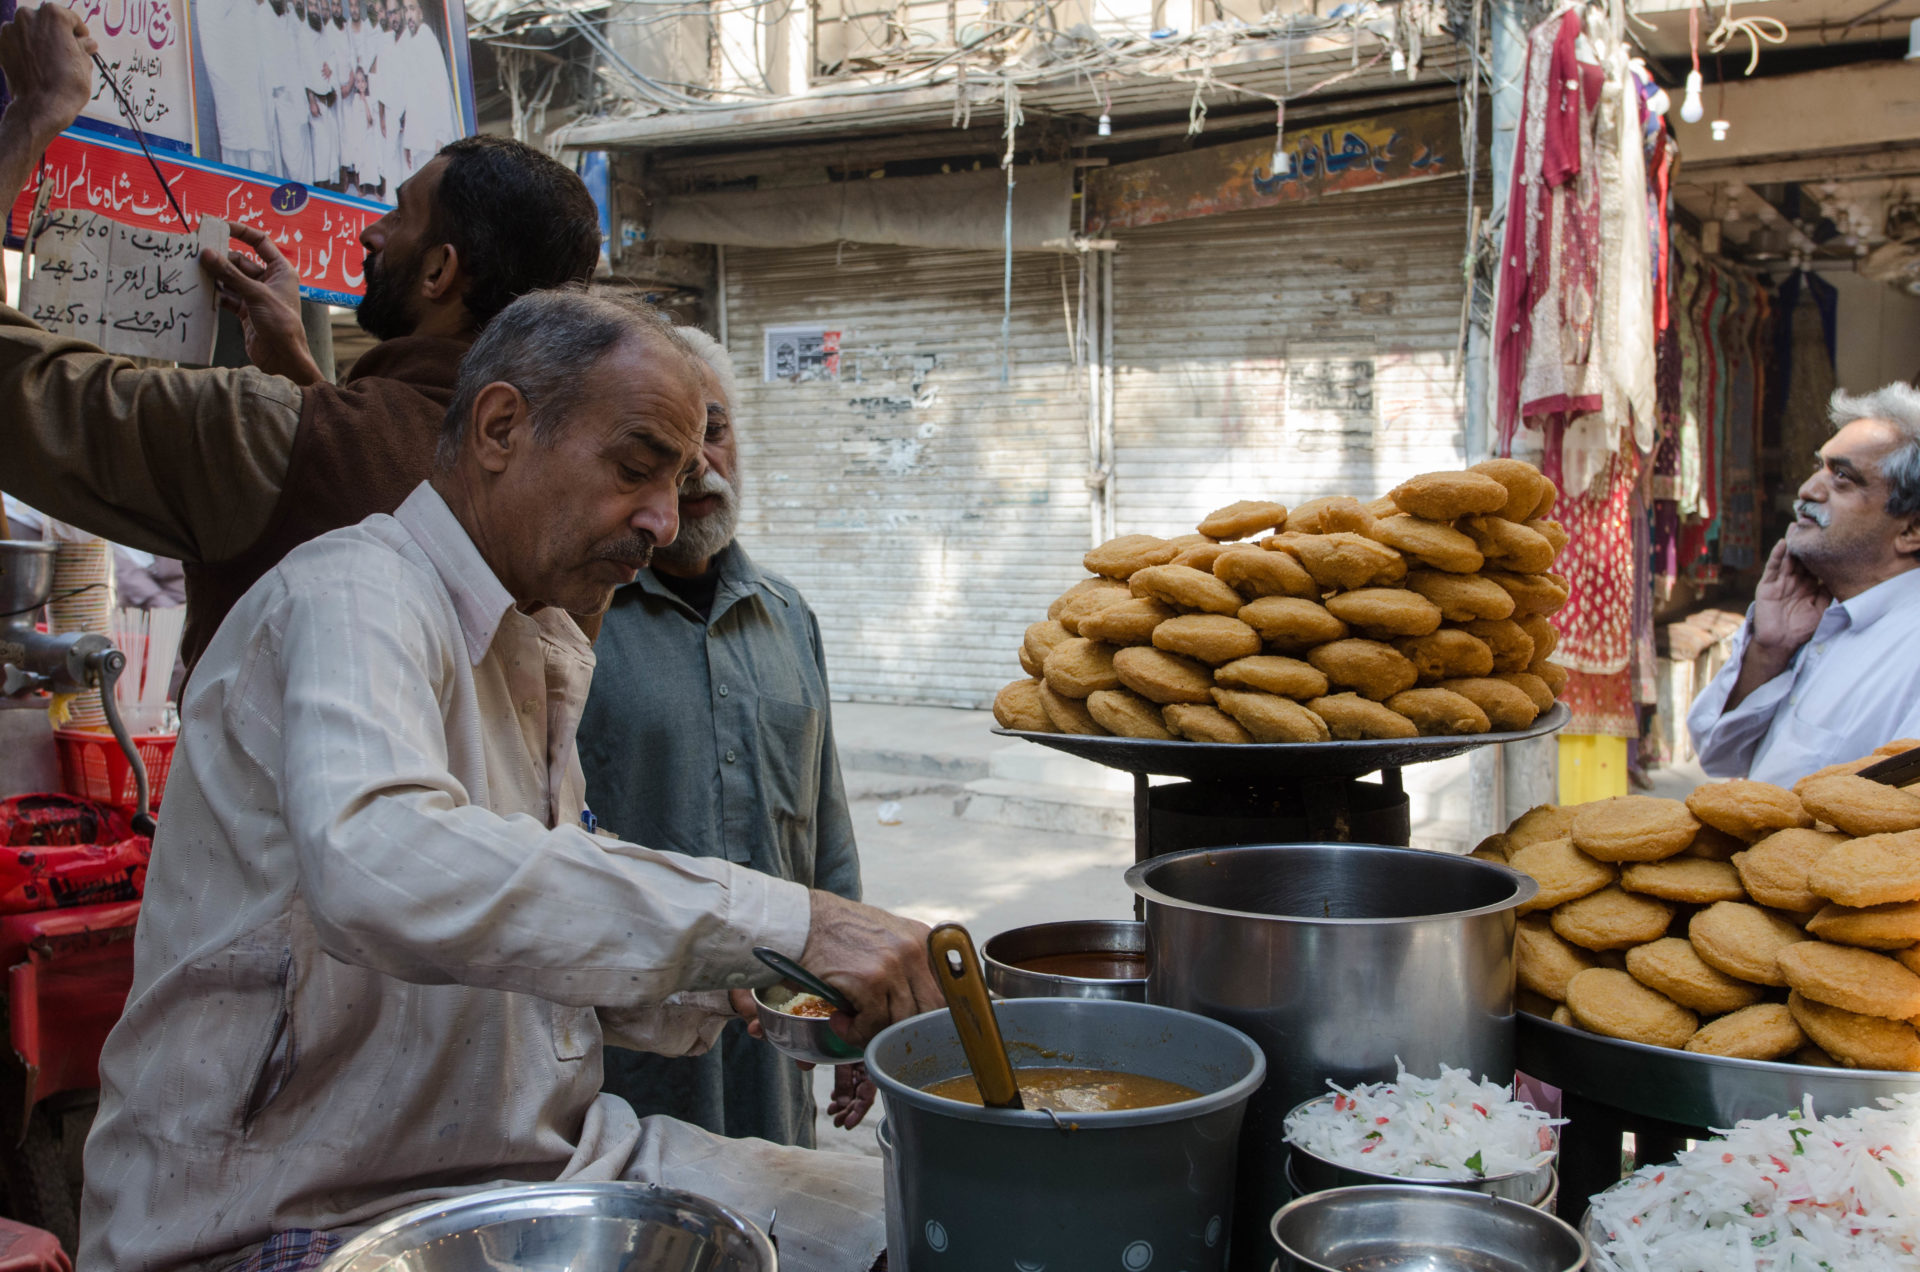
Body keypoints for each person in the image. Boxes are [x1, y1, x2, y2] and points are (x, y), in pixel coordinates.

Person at [80, 289, 939, 1272]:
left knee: (912, 1216)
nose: (664, 520)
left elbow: (524, 932)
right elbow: (382, 865)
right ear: (499, 428)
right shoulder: (355, 596)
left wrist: (747, 981)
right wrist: (779, 925)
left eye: (681, 476)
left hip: (533, 1168)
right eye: (635, 470)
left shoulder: (532, 643)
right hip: (281, 1208)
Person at [0, 4, 598, 675]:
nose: (370, 234)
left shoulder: (273, 433)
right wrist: (301, 376)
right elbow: (376, 481)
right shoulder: (568, 493)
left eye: (397, 214)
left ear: (439, 271)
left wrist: (34, 113)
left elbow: (18, 391)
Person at [582, 329, 872, 1149]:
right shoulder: (573, 619)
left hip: (772, 1053)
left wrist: (855, 990)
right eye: (666, 449)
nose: (699, 466)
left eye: (713, 430)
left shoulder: (786, 617)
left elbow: (827, 836)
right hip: (629, 1064)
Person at [1688, 384, 1920, 785]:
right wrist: (1767, 652)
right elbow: (1716, 755)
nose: (1808, 489)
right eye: (1820, 467)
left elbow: (1895, 832)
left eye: (1843, 477)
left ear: (1911, 529)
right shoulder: (1817, 615)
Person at [195, 0, 275, 172]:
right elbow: (215, 53)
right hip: (234, 90)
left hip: (255, 90)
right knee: (238, 161)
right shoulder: (211, 8)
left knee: (259, 159)